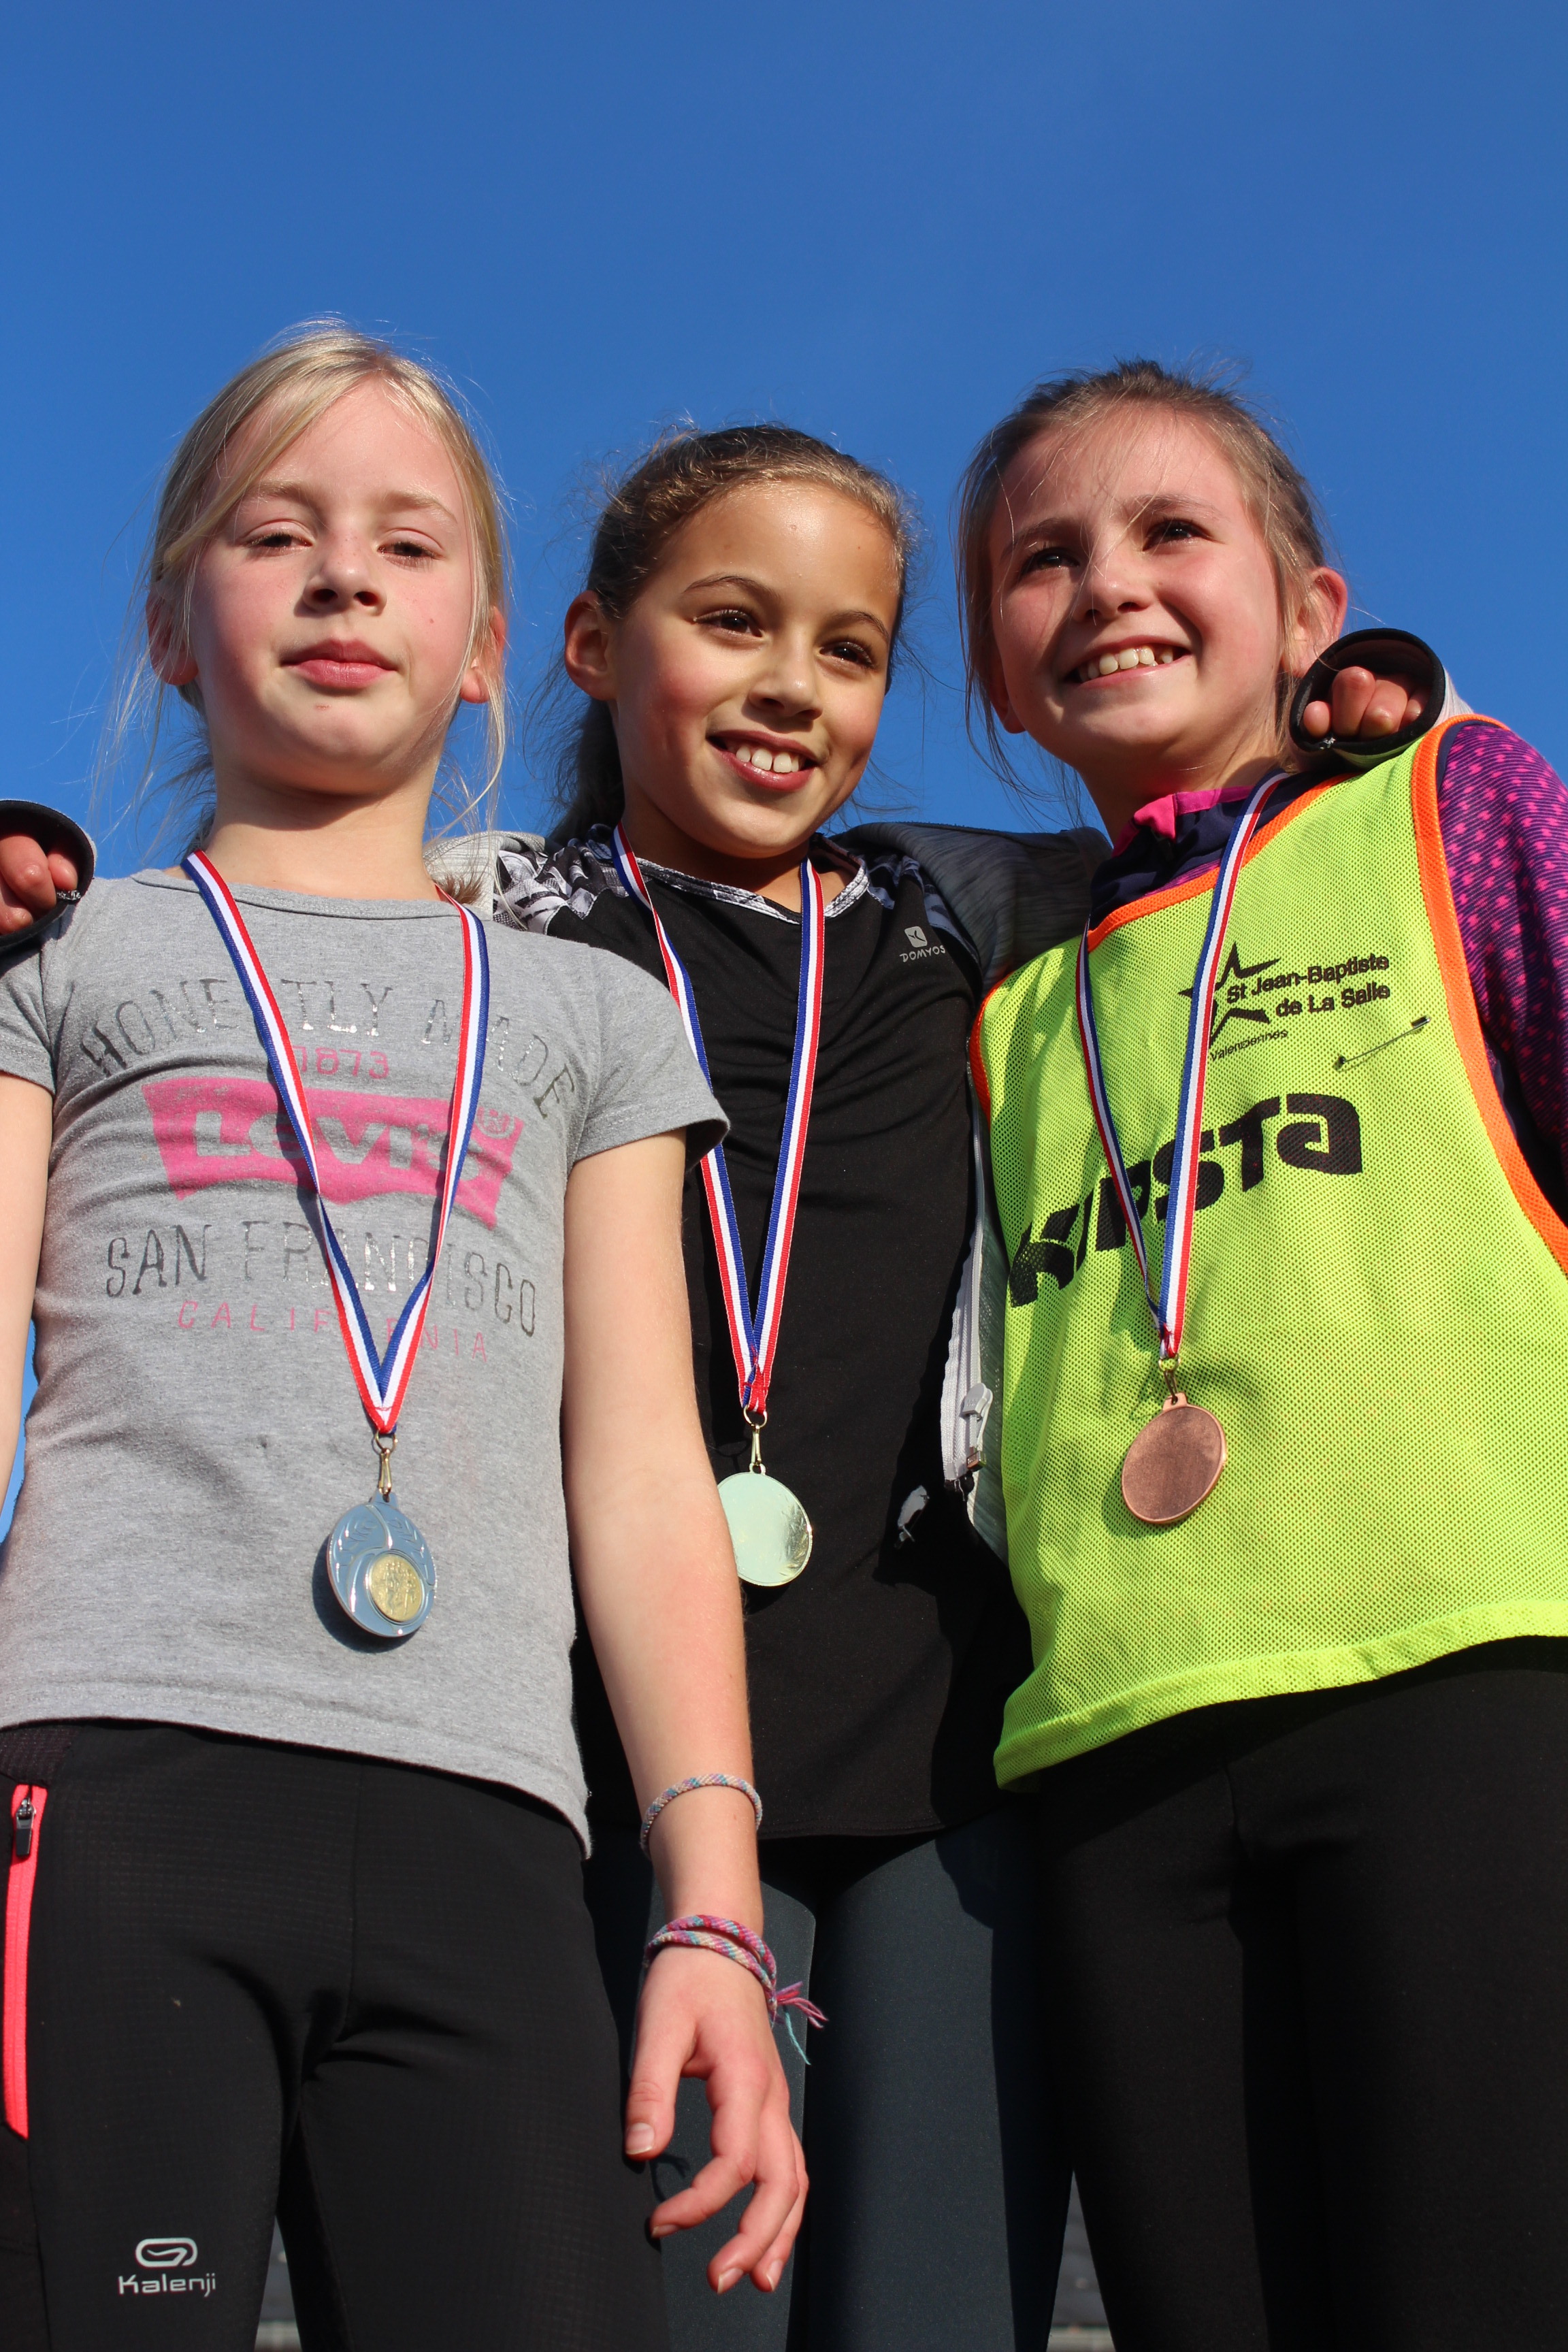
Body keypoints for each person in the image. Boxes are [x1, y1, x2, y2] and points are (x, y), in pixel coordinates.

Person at [0, 400, 1425, 2352]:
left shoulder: (963, 914)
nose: (790, 685)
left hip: (934, 1761)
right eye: (733, 622)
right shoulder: (496, 917)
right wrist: (49, 880)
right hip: (601, 1760)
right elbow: (288, 925)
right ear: (588, 647)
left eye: (851, 650)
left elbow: (1217, 836)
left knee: (936, 2312)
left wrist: (1366, 705)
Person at [0, 327, 804, 2352]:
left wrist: (714, 1909)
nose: (344, 576)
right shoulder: (63, 956)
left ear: (489, 653)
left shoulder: (597, 1014)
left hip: (491, 1830)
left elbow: (642, 1469)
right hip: (104, 1790)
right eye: (275, 534)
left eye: (408, 544)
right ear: (171, 625)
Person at [964, 358, 1568, 2352]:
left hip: (1466, 1687)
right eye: (1043, 560)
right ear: (999, 671)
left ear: (1312, 613)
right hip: (1115, 1763)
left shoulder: (1450, 804)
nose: (1108, 585)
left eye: (1171, 532)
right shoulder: (1010, 1010)